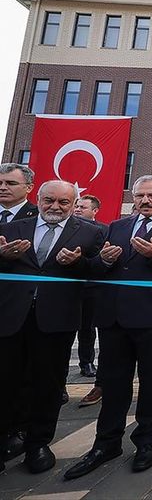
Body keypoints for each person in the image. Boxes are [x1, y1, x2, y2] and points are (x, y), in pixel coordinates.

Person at [64, 175, 152, 479]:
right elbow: (97, 267)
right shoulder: (117, 227)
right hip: (113, 319)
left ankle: (146, 440)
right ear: (132, 198)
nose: (145, 201)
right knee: (112, 382)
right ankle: (105, 443)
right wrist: (102, 261)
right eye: (140, 195)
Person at [0, 180, 104, 474]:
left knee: (48, 383)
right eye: (49, 201)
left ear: (74, 204)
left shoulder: (90, 232)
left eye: (63, 203)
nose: (55, 207)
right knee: (5, 380)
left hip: (55, 320)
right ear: (38, 198)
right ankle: (7, 436)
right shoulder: (12, 229)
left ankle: (38, 443)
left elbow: (100, 272)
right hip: (10, 317)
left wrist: (79, 263)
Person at [0, 163, 39, 463]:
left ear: (28, 188)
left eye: (10, 183)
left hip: (19, 312)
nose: (3, 187)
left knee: (20, 374)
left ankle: (20, 430)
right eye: (0, 182)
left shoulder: (38, 219)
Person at [72, 195, 108, 408]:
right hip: (67, 289)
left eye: (82, 207)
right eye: (76, 206)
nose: (77, 209)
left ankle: (87, 363)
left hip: (92, 289)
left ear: (94, 211)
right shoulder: (67, 227)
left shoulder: (102, 230)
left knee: (87, 328)